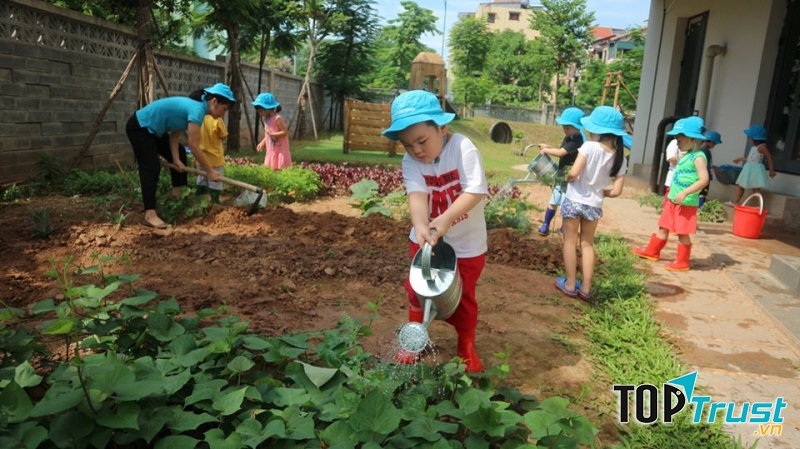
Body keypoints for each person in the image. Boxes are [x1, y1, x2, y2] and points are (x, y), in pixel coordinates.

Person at [382, 90, 488, 373]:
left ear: (442, 127)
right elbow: (416, 195)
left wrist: (445, 219)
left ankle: (466, 344)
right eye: (407, 145)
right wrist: (419, 225)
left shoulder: (463, 148)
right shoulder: (412, 162)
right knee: (417, 290)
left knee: (463, 298)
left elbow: (475, 190)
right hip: (426, 241)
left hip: (467, 244)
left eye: (422, 141)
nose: (417, 150)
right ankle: (414, 340)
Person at [126, 83, 235, 229]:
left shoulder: (197, 108)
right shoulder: (197, 110)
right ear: (214, 101)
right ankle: (150, 214)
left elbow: (175, 135)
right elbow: (194, 146)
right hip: (139, 127)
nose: (224, 113)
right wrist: (210, 171)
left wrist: (176, 159)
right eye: (224, 108)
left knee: (181, 153)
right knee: (151, 168)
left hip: (153, 130)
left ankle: (176, 196)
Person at [554, 106, 628, 303]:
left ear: (597, 131)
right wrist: (600, 191)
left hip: (574, 200)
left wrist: (567, 178)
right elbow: (617, 191)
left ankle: (570, 284)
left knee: (569, 241)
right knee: (587, 244)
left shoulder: (588, 147)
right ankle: (585, 288)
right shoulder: (620, 157)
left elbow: (574, 173)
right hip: (594, 205)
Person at [632, 116, 710, 271]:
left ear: (692, 139)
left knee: (682, 232)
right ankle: (652, 251)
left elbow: (704, 180)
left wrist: (686, 192)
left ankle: (682, 262)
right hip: (673, 199)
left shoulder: (699, 157)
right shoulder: (685, 155)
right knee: (663, 225)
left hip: (685, 202)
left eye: (679, 140)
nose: (677, 142)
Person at [537, 107, 585, 236]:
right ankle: (546, 224)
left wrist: (546, 150)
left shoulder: (577, 139)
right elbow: (563, 150)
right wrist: (549, 147)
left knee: (565, 205)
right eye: (564, 127)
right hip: (561, 176)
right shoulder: (569, 137)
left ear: (577, 127)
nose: (565, 130)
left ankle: (565, 227)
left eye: (568, 127)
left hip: (570, 177)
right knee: (553, 201)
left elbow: (561, 153)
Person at [726, 125, 776, 206]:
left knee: (755, 188)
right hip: (748, 168)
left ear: (755, 138)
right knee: (741, 185)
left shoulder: (762, 147)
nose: (749, 139)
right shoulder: (754, 147)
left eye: (750, 138)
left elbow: (769, 157)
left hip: (755, 170)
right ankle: (736, 202)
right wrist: (741, 159)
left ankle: (760, 205)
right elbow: (751, 158)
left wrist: (771, 170)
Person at [195, 115, 228, 205]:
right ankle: (215, 201)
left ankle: (199, 199)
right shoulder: (217, 119)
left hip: (200, 157)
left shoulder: (198, 117)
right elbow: (223, 135)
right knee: (215, 180)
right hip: (214, 158)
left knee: (201, 177)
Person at [253, 93, 291, 170]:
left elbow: (285, 132)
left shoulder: (277, 118)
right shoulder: (266, 119)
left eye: (260, 110)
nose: (260, 113)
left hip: (280, 149)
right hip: (271, 149)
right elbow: (268, 135)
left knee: (280, 168)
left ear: (267, 108)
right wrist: (262, 143)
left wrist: (272, 134)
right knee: (271, 167)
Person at [699, 130, 722, 208]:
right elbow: (703, 164)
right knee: (703, 192)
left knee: (701, 191)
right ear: (710, 142)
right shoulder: (704, 150)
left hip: (703, 175)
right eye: (714, 143)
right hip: (704, 175)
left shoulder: (703, 149)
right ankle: (699, 207)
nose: (714, 145)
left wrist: (713, 167)